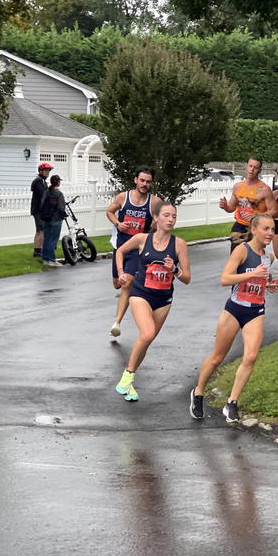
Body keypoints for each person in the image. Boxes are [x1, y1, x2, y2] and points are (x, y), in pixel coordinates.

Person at [189, 214, 278, 423]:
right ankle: (198, 392)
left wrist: (268, 284)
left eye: (272, 229)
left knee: (250, 357)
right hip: (234, 309)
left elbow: (263, 278)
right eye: (266, 229)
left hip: (256, 311)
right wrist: (252, 274)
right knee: (218, 357)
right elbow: (225, 279)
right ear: (254, 230)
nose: (270, 233)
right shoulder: (242, 250)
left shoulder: (269, 257)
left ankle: (231, 403)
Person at [114, 202, 191, 401]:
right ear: (156, 218)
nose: (171, 219)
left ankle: (129, 385)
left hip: (164, 299)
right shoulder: (142, 239)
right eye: (166, 215)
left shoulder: (179, 244)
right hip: (140, 294)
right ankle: (127, 376)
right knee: (147, 334)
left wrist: (174, 270)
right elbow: (120, 251)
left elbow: (187, 278)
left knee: (146, 342)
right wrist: (122, 273)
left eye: (174, 216)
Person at [106, 167, 162, 338]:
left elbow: (164, 217)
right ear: (135, 180)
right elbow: (109, 211)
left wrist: (155, 224)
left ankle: (117, 322)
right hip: (120, 247)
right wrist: (117, 223)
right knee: (117, 282)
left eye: (148, 181)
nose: (145, 184)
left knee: (126, 283)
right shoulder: (124, 197)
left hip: (138, 250)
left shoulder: (154, 201)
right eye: (142, 180)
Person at [219, 157, 278, 252]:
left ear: (259, 170)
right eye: (250, 166)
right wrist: (225, 206)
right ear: (246, 167)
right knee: (236, 258)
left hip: (256, 228)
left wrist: (257, 216)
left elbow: (274, 212)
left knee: (252, 259)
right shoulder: (238, 187)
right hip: (239, 226)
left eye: (255, 167)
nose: (252, 170)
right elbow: (231, 207)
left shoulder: (264, 189)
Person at [39, 175, 67, 267]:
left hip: (45, 218)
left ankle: (45, 259)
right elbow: (61, 207)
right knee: (53, 240)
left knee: (46, 239)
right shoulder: (59, 194)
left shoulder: (46, 192)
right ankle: (51, 260)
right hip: (56, 219)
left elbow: (42, 203)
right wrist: (63, 215)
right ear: (58, 182)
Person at [30, 162, 53, 258]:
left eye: (48, 171)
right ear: (40, 171)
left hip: (41, 210)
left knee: (40, 230)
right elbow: (43, 195)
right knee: (41, 230)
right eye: (46, 171)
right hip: (38, 210)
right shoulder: (38, 181)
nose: (47, 172)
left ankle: (38, 250)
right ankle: (38, 251)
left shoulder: (43, 181)